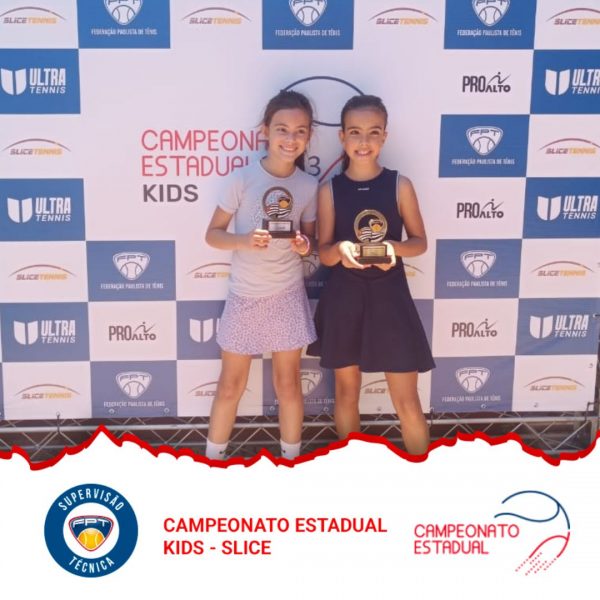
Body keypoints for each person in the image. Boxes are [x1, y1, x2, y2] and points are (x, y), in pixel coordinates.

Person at [307, 94, 435, 455]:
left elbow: (419, 242)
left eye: (373, 132)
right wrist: (341, 252)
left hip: (390, 298)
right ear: (342, 137)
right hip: (344, 299)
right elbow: (324, 251)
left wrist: (393, 249)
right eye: (355, 132)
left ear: (384, 137)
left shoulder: (399, 185)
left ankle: (423, 473)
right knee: (346, 394)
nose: (364, 141)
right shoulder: (329, 190)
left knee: (406, 400)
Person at [204, 90, 317, 460]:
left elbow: (311, 241)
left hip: (286, 295)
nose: (291, 138)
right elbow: (213, 235)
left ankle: (291, 462)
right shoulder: (243, 178)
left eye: (300, 131)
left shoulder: (308, 185)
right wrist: (243, 241)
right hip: (245, 296)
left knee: (289, 385)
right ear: (265, 131)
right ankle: (212, 463)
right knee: (229, 386)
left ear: (309, 136)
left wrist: (304, 244)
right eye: (282, 129)